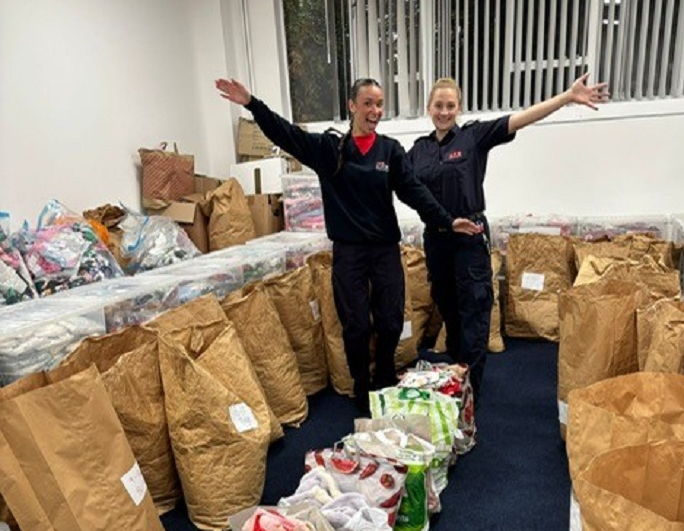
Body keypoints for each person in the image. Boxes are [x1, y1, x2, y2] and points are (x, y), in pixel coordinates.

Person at [215, 76, 480, 413]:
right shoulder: (329, 150)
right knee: (355, 325)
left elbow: (415, 192)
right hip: (349, 253)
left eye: (379, 104)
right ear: (352, 106)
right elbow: (286, 133)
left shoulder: (390, 151)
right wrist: (251, 103)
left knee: (389, 322)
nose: (375, 110)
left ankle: (384, 378)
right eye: (368, 103)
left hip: (385, 249)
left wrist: (446, 219)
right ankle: (360, 385)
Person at [407, 72, 609, 402]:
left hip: (470, 239)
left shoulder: (473, 137)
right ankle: (457, 380)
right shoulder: (418, 151)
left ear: (458, 107)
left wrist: (566, 97)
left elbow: (521, 118)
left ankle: (469, 397)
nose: (444, 111)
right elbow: (399, 183)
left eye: (450, 105)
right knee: (451, 315)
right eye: (438, 105)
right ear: (429, 108)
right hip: (437, 241)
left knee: (475, 315)